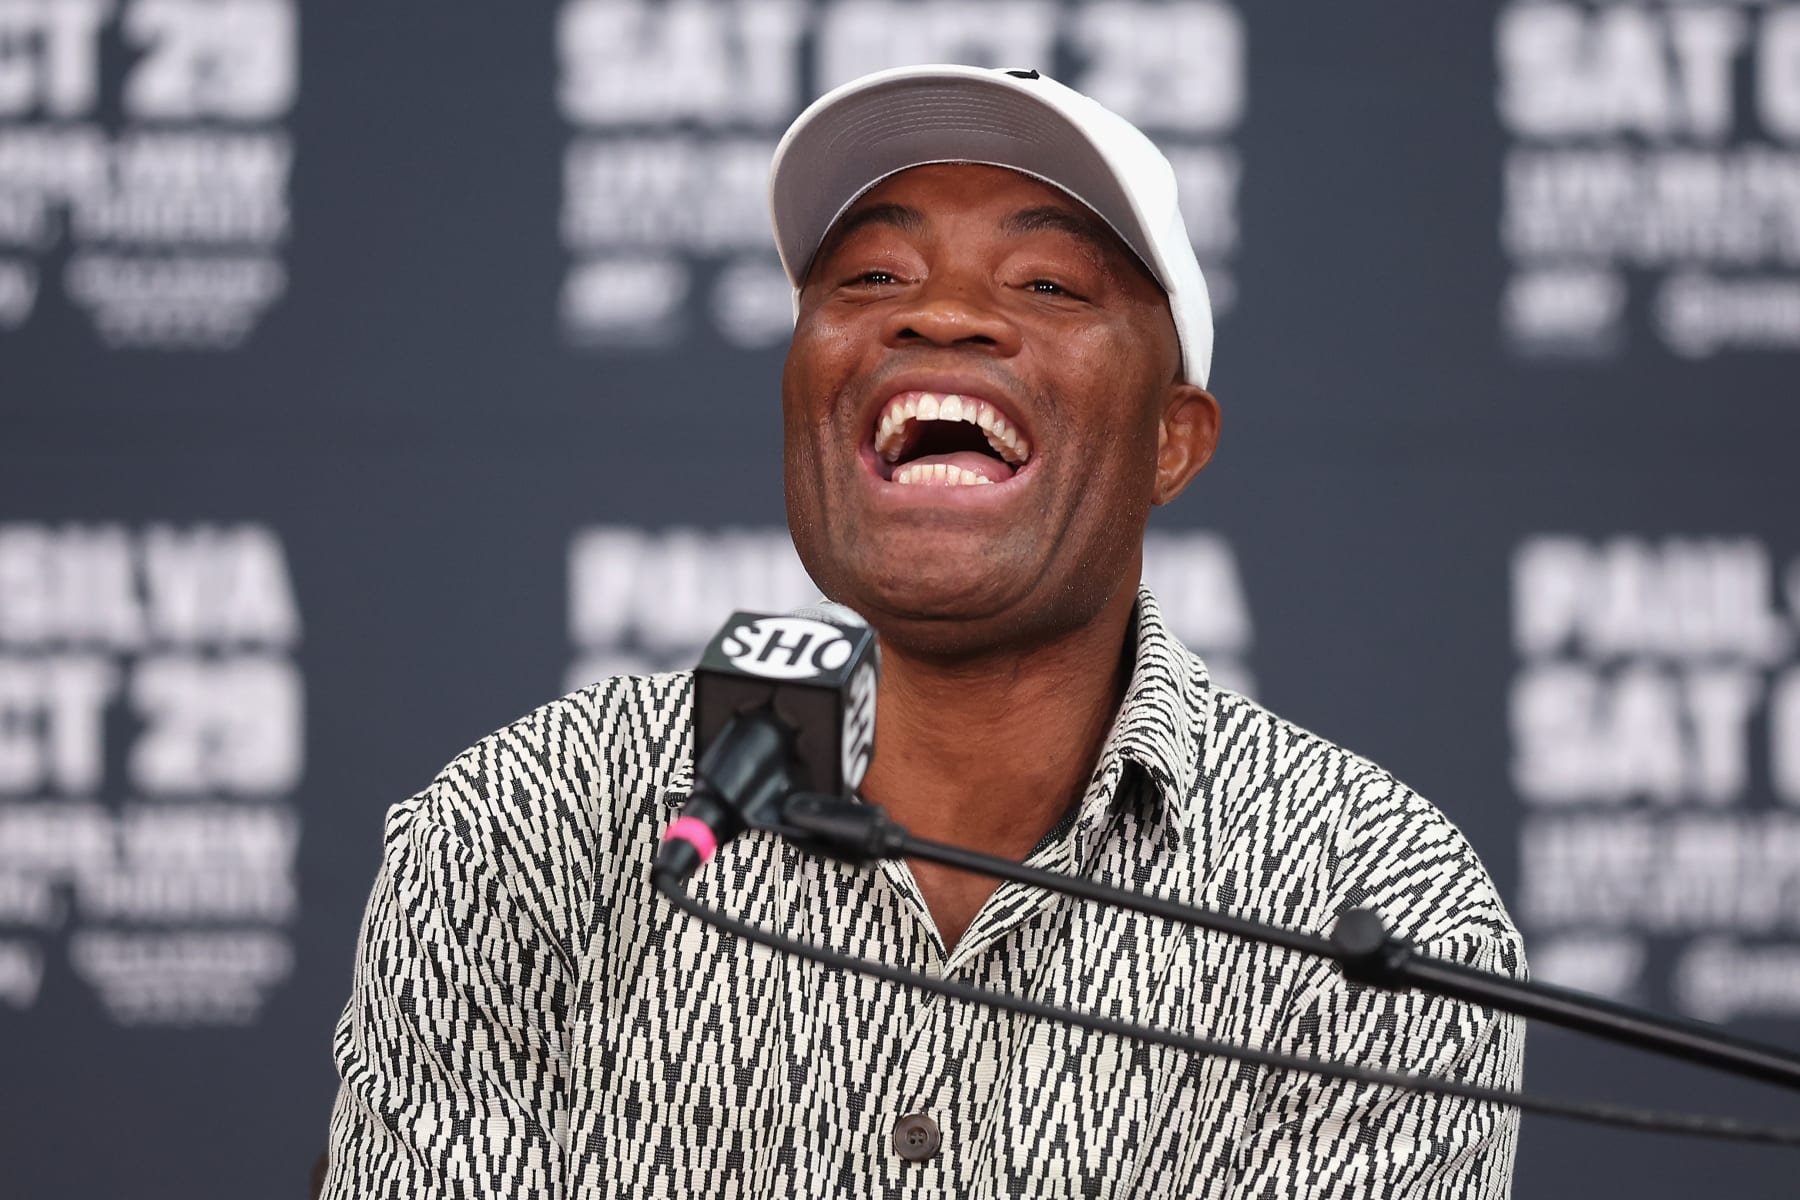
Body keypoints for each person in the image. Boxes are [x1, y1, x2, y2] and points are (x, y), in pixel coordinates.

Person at [322, 65, 1525, 1198]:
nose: (942, 316)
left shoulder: (1380, 906)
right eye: (872, 280)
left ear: (1174, 439)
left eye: (1047, 287)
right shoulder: (528, 824)